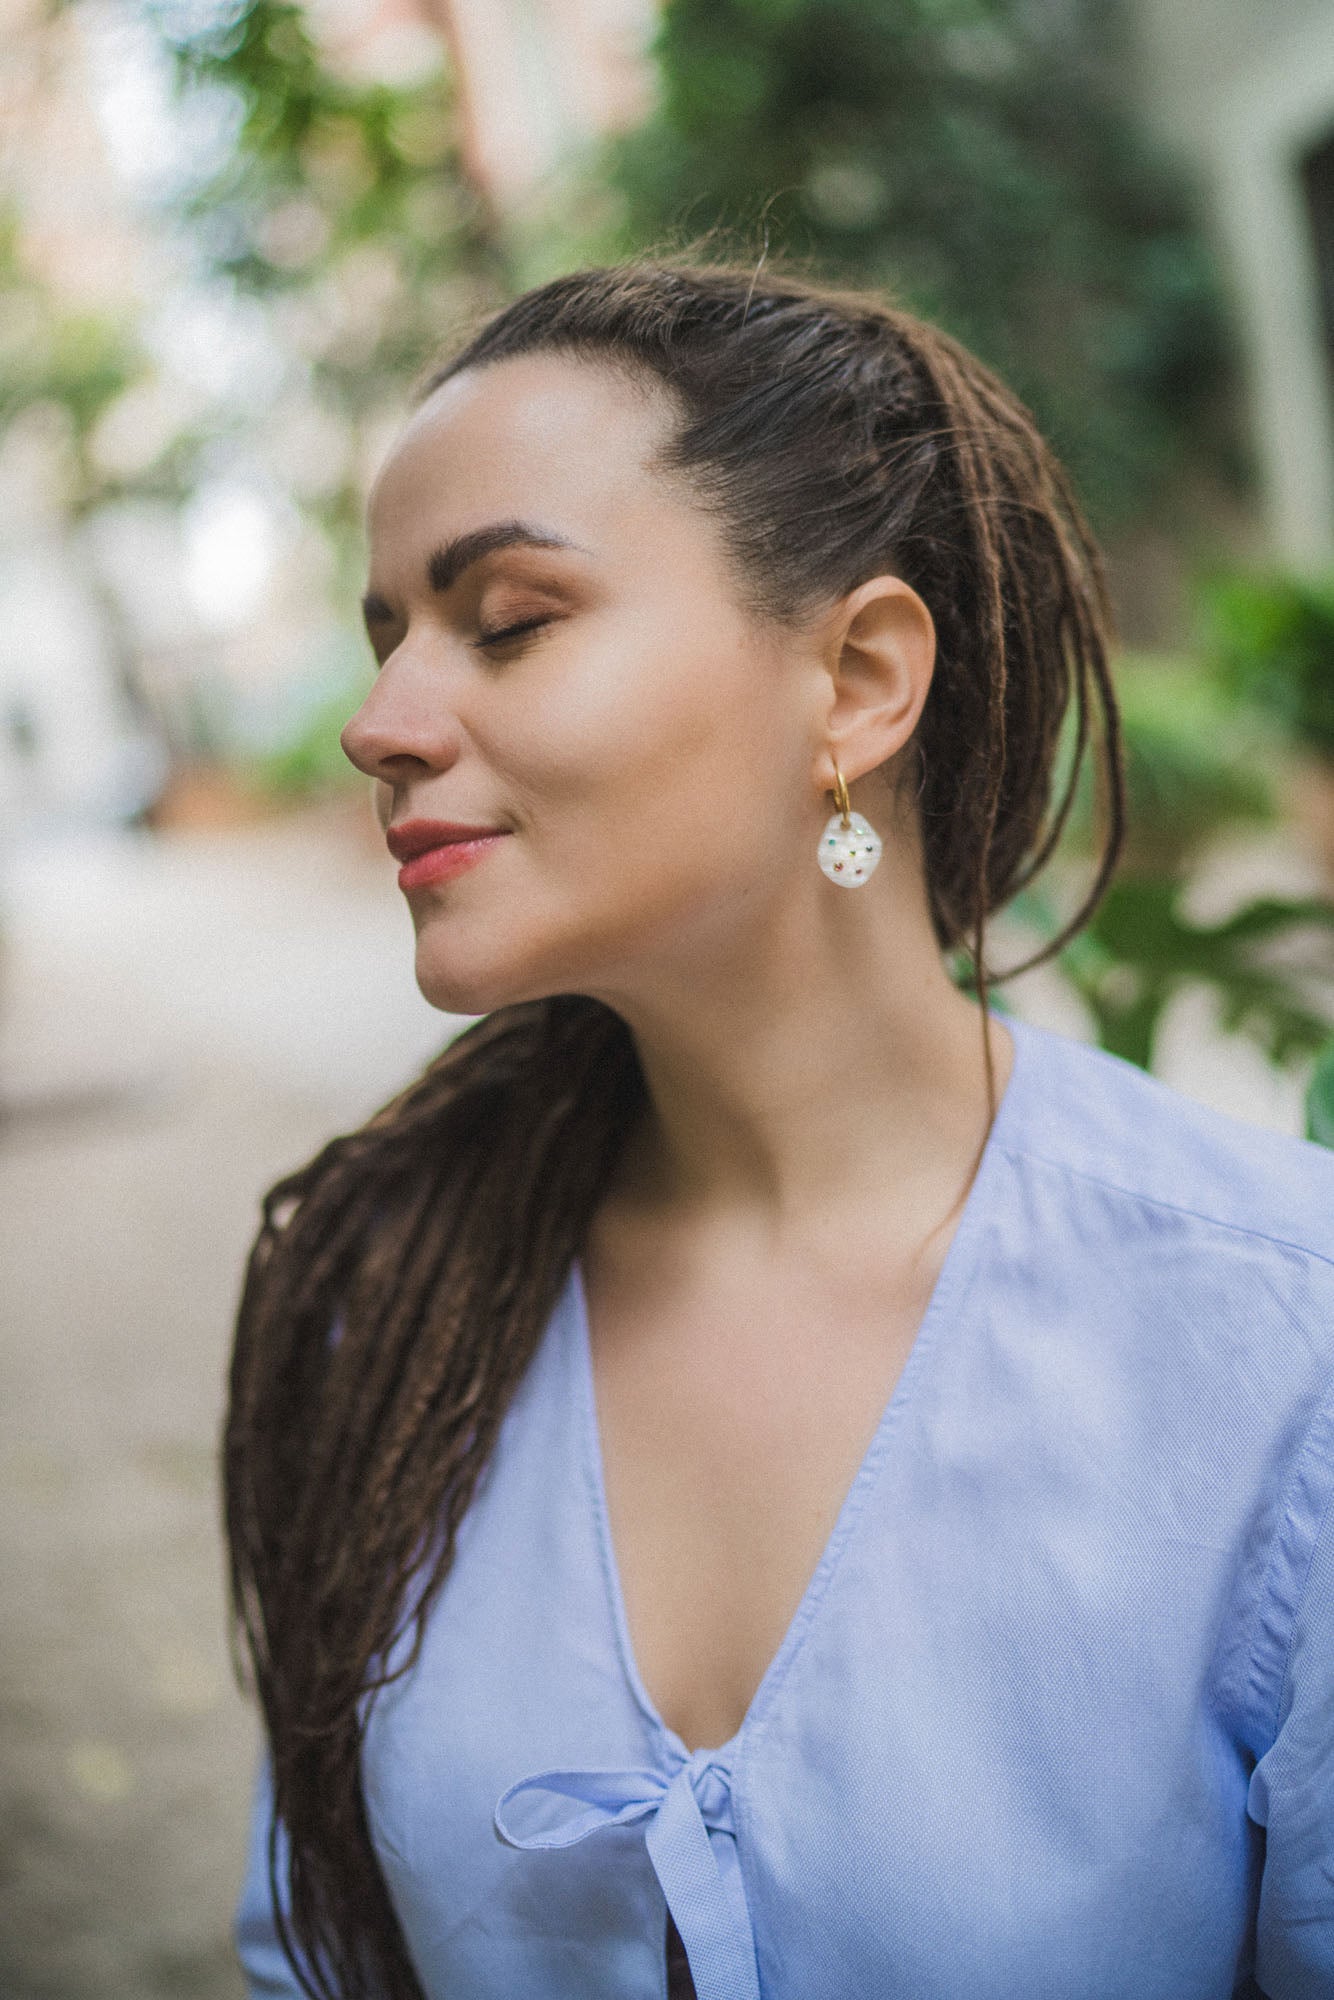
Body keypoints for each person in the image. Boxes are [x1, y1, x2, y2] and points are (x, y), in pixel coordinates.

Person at [228, 256, 1334, 2000]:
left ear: (858, 679)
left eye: (506, 621)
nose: (380, 727)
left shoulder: (1280, 1339)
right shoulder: (385, 1303)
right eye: (386, 641)